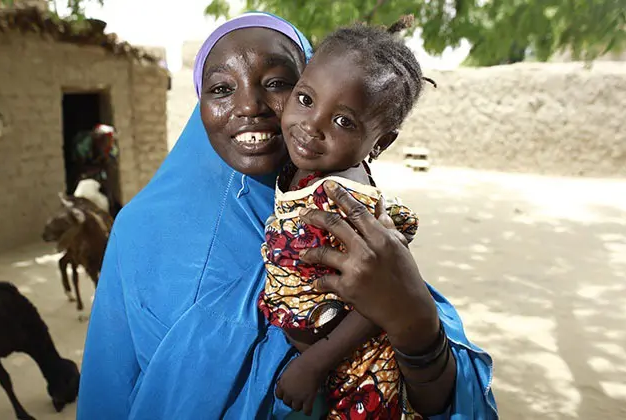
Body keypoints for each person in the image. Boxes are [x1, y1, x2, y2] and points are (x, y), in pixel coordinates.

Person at [77, 12, 497, 420]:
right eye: (221, 88)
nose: (250, 106)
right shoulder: (137, 230)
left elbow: (443, 397)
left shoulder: (349, 214)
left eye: (277, 83)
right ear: (199, 103)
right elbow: (108, 386)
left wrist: (415, 320)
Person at [259, 15, 446, 419]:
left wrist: (315, 362)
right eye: (305, 99)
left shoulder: (347, 202)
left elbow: (379, 299)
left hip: (362, 372)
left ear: (381, 141)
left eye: (344, 121)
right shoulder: (303, 171)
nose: (312, 125)